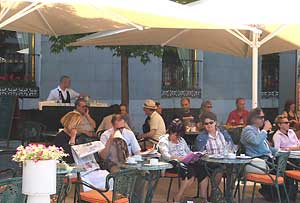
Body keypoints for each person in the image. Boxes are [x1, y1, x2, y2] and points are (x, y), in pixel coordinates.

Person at [159, 119, 203, 202]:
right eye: (175, 135)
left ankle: (185, 196)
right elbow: (166, 156)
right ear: (170, 132)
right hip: (172, 164)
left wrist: (194, 156)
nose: (177, 137)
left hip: (185, 163)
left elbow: (188, 152)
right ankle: (179, 197)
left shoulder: (181, 140)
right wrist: (180, 158)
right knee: (189, 171)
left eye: (178, 135)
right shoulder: (164, 141)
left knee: (201, 168)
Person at [195, 112, 234, 203]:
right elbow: (199, 154)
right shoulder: (201, 137)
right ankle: (214, 194)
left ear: (215, 122)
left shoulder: (223, 133)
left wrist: (230, 151)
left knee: (234, 171)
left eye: (211, 122)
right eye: (206, 123)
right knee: (218, 170)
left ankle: (228, 196)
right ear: (203, 125)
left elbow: (231, 146)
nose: (209, 125)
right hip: (210, 162)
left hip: (225, 160)